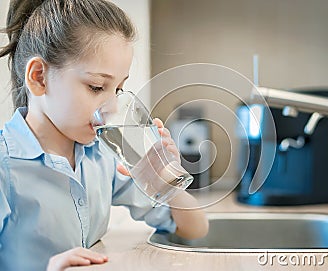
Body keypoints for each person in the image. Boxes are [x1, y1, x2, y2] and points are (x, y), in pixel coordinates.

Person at [0, 0, 209, 270]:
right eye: (97, 87)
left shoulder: (101, 156)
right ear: (39, 77)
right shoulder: (6, 166)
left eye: (118, 90)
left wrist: (166, 182)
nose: (111, 108)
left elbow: (196, 229)